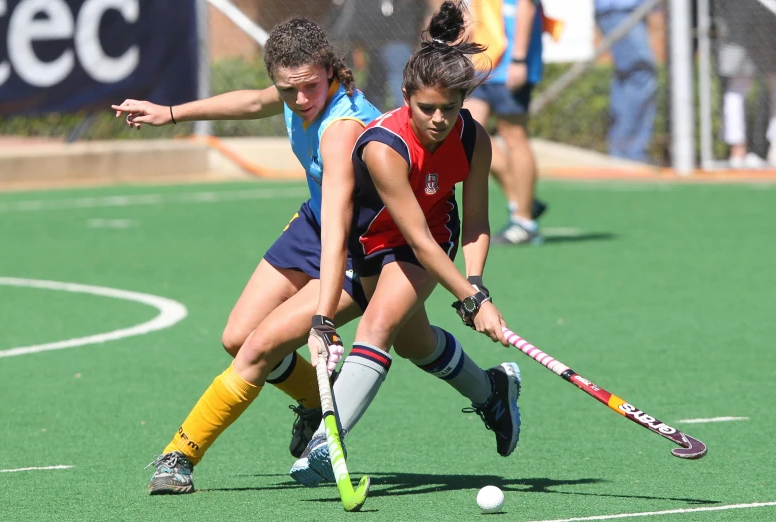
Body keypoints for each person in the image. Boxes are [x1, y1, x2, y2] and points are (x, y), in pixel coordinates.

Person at [113, 16, 512, 495]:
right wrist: (172, 112)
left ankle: (181, 454)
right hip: (314, 223)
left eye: (309, 87)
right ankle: (319, 400)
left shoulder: (343, 130)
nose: (300, 100)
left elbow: (345, 225)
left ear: (331, 71)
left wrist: (323, 318)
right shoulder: (295, 92)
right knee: (241, 337)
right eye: (287, 90)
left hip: (360, 241)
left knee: (268, 346)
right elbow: (252, 102)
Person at [291, 1, 522, 487]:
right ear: (404, 96)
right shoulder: (383, 146)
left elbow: (475, 219)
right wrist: (469, 298)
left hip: (431, 242)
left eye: (450, 108)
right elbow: (407, 234)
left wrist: (475, 284)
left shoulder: (473, 139)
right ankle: (493, 390)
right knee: (416, 343)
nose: (439, 119)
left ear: (464, 102)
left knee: (375, 327)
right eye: (427, 108)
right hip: (375, 245)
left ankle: (326, 444)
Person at [464, 0, 548, 245]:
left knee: (514, 136)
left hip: (510, 64)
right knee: (469, 132)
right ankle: (522, 199)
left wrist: (519, 60)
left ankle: (525, 221)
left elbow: (526, 7)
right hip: (480, 63)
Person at [594, 0, 658, 165]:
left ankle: (622, 150)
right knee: (641, 75)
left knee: (629, 76)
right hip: (620, 9)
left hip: (632, 9)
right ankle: (629, 153)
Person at [715, 0, 776, 168]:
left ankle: (772, 150)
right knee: (737, 86)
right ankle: (737, 150)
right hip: (740, 19)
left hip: (768, 21)